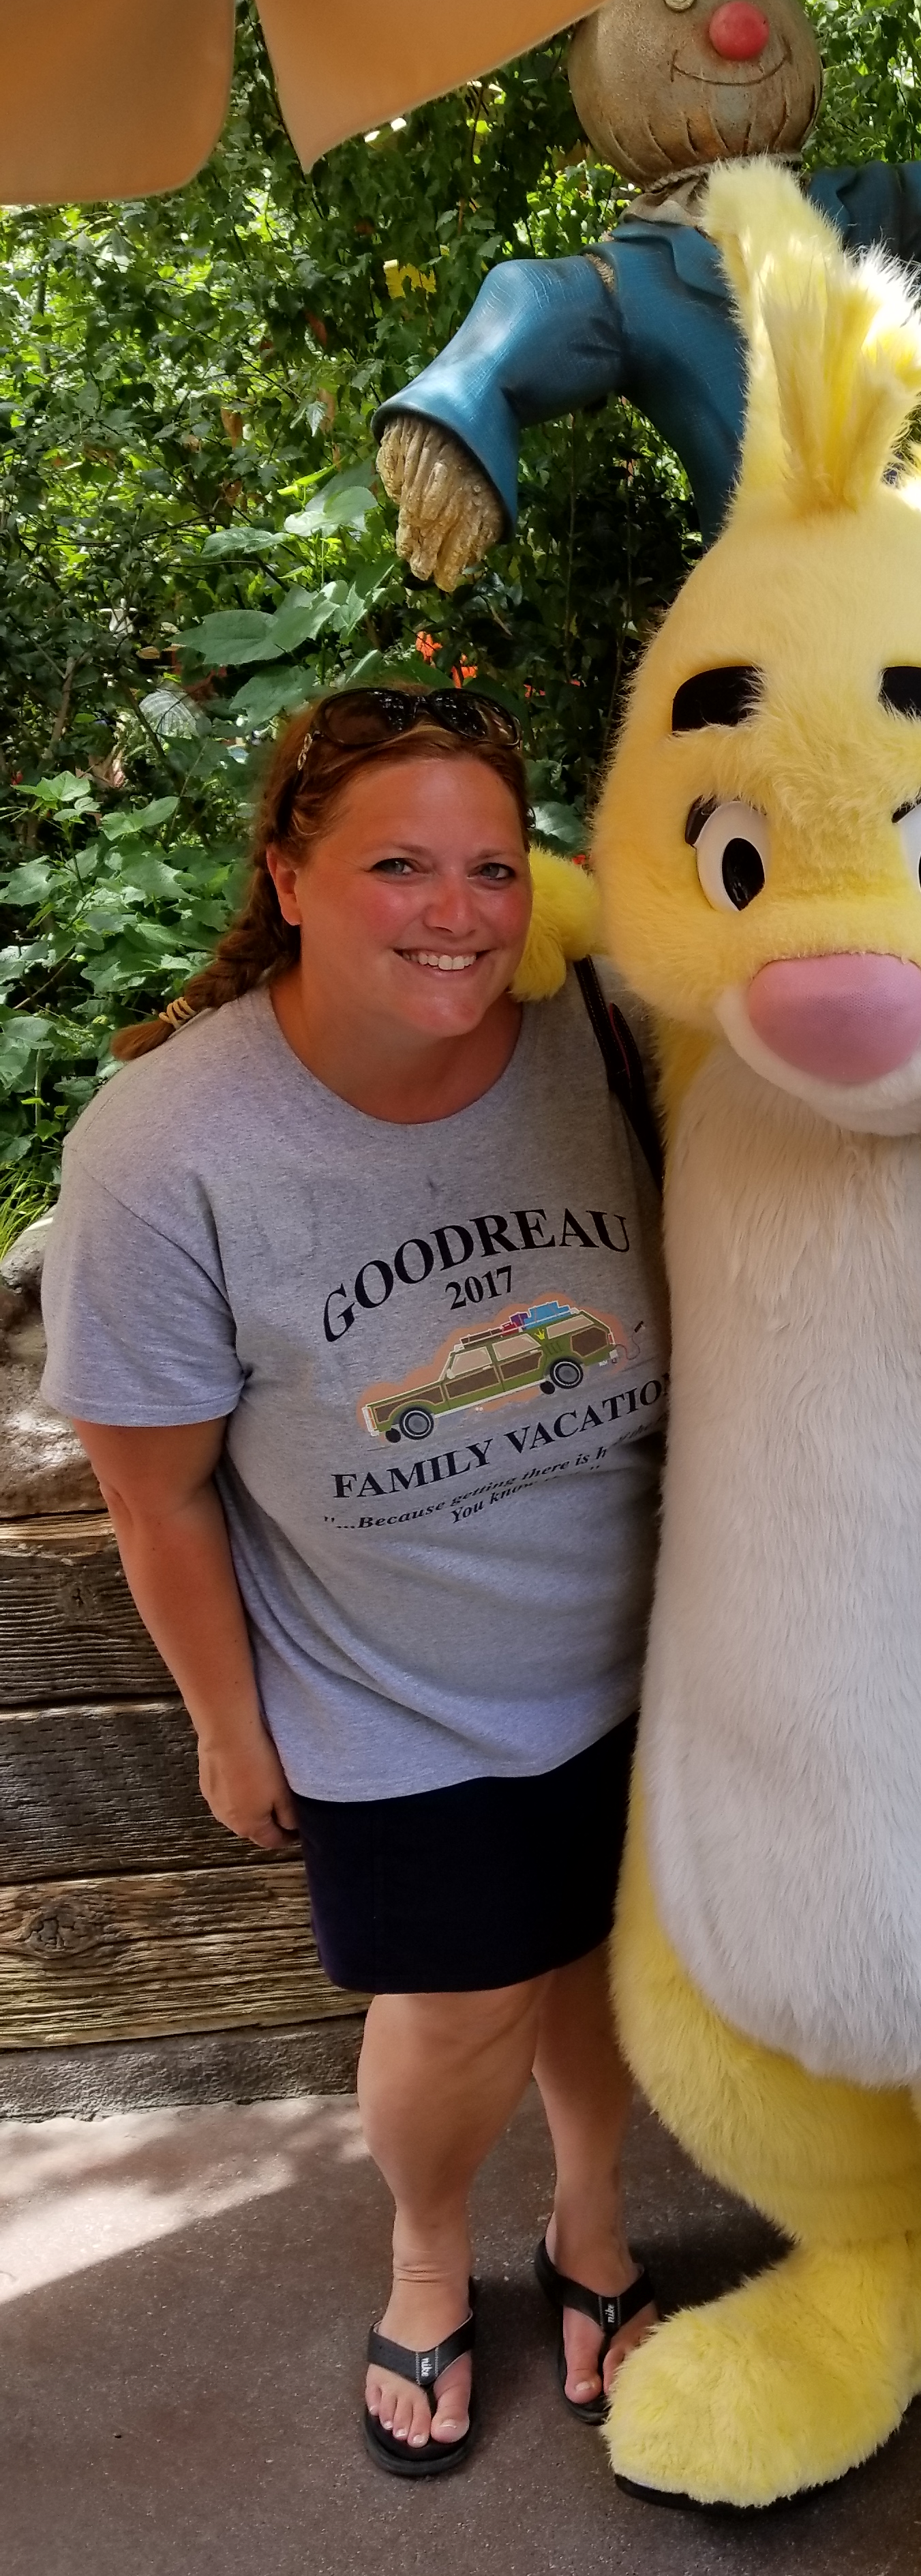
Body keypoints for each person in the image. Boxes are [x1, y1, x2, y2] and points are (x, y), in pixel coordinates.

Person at [40, 686, 671, 2477]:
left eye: (492, 867)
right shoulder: (167, 1154)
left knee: (605, 1970)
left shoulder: (603, 1037)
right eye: (400, 866)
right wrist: (228, 1729)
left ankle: (595, 2225)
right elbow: (155, 1494)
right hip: (396, 1697)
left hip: (651, 1654)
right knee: (461, 2004)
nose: (456, 912)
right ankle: (425, 2253)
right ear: (289, 877)